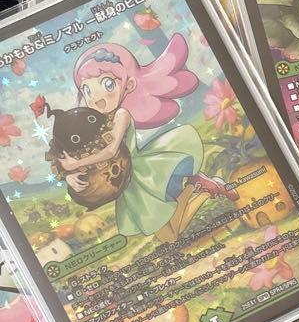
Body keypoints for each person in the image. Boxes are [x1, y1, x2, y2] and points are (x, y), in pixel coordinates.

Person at [57, 36, 234, 244]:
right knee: (169, 235)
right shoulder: (95, 123)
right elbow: (88, 154)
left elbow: (111, 150)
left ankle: (199, 188)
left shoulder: (121, 114)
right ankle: (200, 188)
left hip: (142, 175)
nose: (95, 97)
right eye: (87, 89)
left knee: (168, 236)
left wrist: (75, 164)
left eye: (107, 84)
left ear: (129, 85)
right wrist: (71, 175)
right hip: (127, 183)